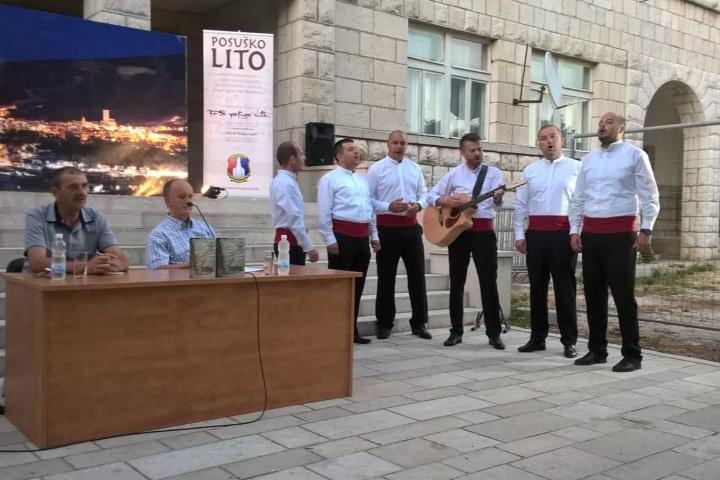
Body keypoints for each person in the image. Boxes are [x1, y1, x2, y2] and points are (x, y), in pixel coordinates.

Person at [570, 112, 660, 372]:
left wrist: (646, 229)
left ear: (621, 128)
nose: (602, 125)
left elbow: (649, 194)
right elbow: (579, 197)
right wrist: (574, 229)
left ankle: (632, 354)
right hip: (591, 233)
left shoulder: (635, 155)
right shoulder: (588, 160)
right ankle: (597, 350)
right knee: (593, 293)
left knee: (623, 295)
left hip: (621, 235)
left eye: (609, 122)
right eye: (600, 122)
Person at [427, 133, 505, 350]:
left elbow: (497, 206)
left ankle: (494, 333)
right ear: (462, 152)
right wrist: (443, 199)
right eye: (472, 150)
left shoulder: (494, 173)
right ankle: (456, 331)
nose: (477, 153)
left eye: (479, 149)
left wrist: (498, 198)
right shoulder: (454, 174)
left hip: (484, 233)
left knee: (488, 282)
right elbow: (430, 196)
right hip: (459, 233)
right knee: (457, 281)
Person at [513, 125, 581, 358]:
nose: (549, 142)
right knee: (537, 288)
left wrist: (576, 231)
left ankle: (569, 340)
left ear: (561, 140)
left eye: (553, 137)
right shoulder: (530, 171)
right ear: (539, 144)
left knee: (565, 289)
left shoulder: (576, 168)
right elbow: (521, 204)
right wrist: (519, 234)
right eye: (543, 138)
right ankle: (537, 337)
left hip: (563, 235)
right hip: (536, 235)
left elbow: (579, 203)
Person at [366, 130, 431, 340]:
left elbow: (424, 193)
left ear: (406, 145)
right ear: (388, 144)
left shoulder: (414, 168)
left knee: (417, 276)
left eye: (402, 143)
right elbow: (368, 199)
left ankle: (419, 323)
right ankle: (385, 323)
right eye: (395, 142)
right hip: (387, 229)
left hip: (411, 228)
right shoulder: (376, 169)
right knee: (386, 278)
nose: (399, 146)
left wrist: (418, 205)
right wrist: (388, 206)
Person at [318, 138, 380, 344]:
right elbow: (324, 212)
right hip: (342, 238)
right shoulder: (329, 179)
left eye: (357, 149)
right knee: (339, 287)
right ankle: (335, 331)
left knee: (357, 286)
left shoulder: (362, 181)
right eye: (351, 149)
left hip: (361, 238)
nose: (356, 152)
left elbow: (369, 209)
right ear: (339, 156)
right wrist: (329, 239)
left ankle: (351, 330)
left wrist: (374, 235)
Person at [24, 166, 129, 275]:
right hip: (41, 282)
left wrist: (109, 265)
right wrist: (84, 267)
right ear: (55, 192)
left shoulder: (96, 217)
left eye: (84, 186)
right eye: (73, 187)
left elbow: (122, 261)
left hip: (83, 283)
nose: (81, 192)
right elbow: (37, 262)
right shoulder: (37, 216)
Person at [146, 179, 215, 270]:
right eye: (182, 197)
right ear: (167, 201)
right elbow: (158, 270)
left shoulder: (205, 228)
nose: (188, 201)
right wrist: (195, 263)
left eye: (190, 197)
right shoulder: (158, 235)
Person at [269, 141, 319, 265]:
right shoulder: (286, 183)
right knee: (293, 277)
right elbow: (294, 218)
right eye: (301, 154)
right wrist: (309, 247)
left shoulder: (285, 181)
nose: (304, 158)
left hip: (289, 241)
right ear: (292, 160)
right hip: (289, 242)